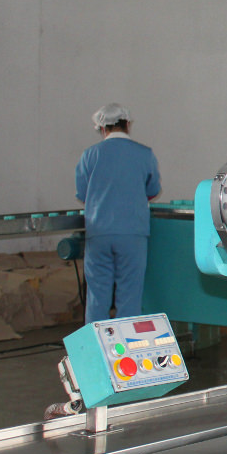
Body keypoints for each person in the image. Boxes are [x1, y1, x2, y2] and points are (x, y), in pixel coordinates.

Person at [75, 104, 161, 324]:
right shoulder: (145, 154)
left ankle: (96, 350)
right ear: (128, 124)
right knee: (129, 295)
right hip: (132, 233)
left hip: (98, 233)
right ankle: (126, 351)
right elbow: (152, 191)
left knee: (97, 295)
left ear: (102, 128)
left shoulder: (89, 155)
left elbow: (83, 194)